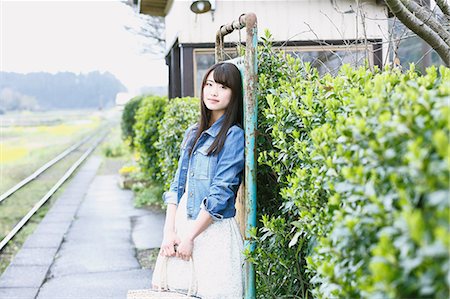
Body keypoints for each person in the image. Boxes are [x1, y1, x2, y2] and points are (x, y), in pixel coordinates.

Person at [151, 62, 245, 299]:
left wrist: (191, 237)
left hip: (212, 230)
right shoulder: (194, 132)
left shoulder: (233, 135)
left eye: (223, 87)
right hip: (183, 224)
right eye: (209, 84)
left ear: (234, 94)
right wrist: (168, 231)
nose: (213, 92)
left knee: (216, 292)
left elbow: (221, 193)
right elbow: (177, 185)